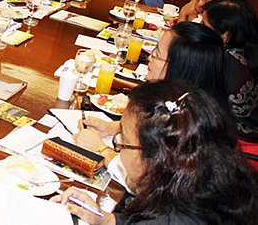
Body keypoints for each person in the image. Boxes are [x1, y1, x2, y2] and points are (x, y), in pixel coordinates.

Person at [53, 81, 258, 224]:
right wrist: (108, 221)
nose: (119, 148)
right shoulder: (211, 187)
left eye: (123, 141)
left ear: (157, 159)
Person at [75, 22, 229, 167]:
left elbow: (144, 181)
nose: (149, 57)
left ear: (179, 67)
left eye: (157, 54)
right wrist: (114, 128)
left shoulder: (188, 124)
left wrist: (101, 150)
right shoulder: (194, 101)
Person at [203, 0, 258, 165]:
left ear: (225, 35)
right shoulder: (250, 55)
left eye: (205, 26)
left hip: (231, 153)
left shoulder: (222, 62)